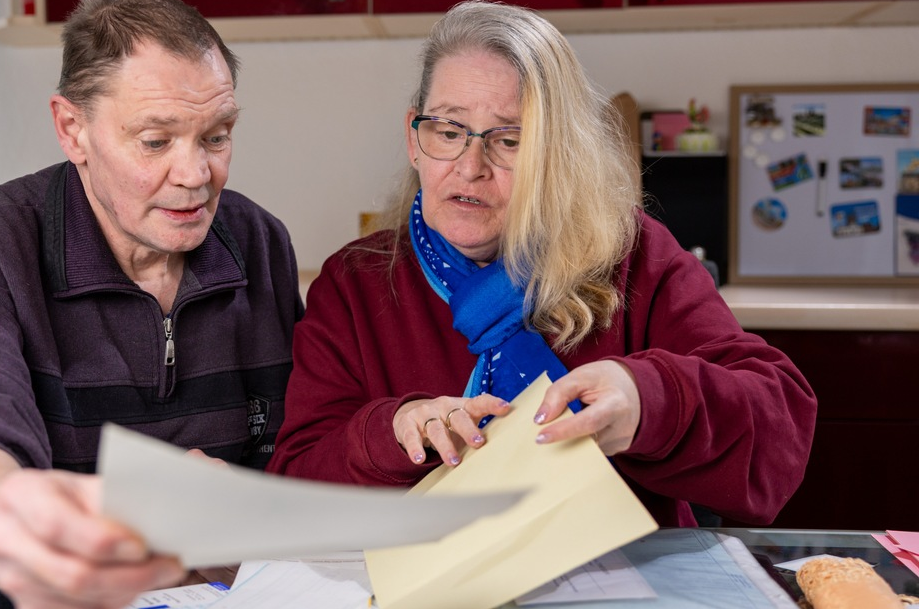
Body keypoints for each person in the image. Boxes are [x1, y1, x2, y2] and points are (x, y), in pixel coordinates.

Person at [267, 1, 815, 529]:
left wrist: (645, 399)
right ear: (415, 136)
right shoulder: (355, 281)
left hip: (615, 593)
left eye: (510, 140)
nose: (471, 167)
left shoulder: (636, 255)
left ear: (556, 154)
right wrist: (390, 432)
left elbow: (780, 435)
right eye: (449, 131)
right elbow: (296, 483)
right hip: (427, 597)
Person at [0, 0, 302, 609]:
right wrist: (6, 518)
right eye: (156, 141)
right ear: (72, 129)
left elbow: (302, 451)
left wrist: (250, 514)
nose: (196, 175)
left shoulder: (259, 239)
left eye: (216, 136)